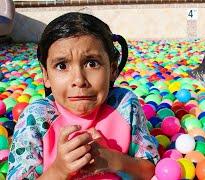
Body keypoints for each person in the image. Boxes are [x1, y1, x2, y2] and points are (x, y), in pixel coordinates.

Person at [7, 12, 159, 180]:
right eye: (62, 65)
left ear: (113, 69)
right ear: (46, 76)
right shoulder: (35, 118)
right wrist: (58, 170)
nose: (79, 80)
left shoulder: (124, 106)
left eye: (92, 63)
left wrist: (114, 160)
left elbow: (150, 170)